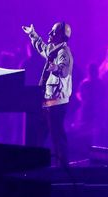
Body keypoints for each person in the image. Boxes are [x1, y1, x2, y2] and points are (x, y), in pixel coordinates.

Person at [22, 22, 73, 167]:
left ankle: (62, 168)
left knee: (56, 135)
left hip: (56, 102)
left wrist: (55, 67)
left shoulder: (63, 52)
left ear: (62, 36)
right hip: (49, 101)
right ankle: (39, 165)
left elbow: (64, 70)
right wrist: (33, 34)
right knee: (42, 134)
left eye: (53, 31)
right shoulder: (53, 50)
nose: (50, 33)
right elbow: (42, 47)